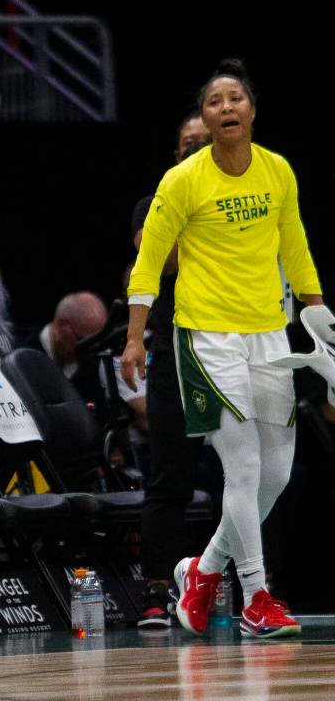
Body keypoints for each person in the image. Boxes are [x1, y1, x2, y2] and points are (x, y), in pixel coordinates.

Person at [122, 59, 324, 640]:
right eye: (215, 102)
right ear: (205, 120)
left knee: (278, 472)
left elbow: (297, 248)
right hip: (205, 335)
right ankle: (256, 597)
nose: (226, 108)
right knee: (243, 465)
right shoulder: (182, 182)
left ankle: (204, 572)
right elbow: (147, 265)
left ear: (252, 111)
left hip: (268, 334)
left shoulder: (277, 171)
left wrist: (317, 316)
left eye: (235, 99)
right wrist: (136, 336)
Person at [132, 112, 214, 629]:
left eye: (204, 143)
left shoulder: (253, 202)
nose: (195, 149)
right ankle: (158, 590)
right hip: (176, 354)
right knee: (168, 480)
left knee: (247, 478)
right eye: (187, 143)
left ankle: (250, 585)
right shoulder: (156, 203)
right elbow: (158, 257)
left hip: (237, 348)